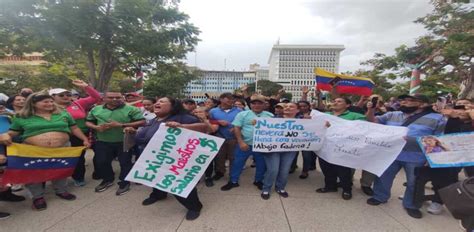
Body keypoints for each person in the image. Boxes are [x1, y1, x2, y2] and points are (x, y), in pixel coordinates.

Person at [0, 91, 90, 211]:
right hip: (34, 151)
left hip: (62, 149)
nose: (50, 104)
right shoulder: (22, 116)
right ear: (33, 103)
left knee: (61, 169)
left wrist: (84, 139)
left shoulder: (62, 113)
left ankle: (61, 191)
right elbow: (13, 132)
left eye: (51, 101)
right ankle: (38, 197)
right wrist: (6, 135)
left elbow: (74, 127)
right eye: (45, 102)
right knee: (34, 173)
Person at [366, 94, 446, 219]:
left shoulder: (438, 118)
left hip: (416, 157)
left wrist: (428, 156)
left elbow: (439, 140)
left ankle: (411, 205)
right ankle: (379, 196)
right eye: (403, 100)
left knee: (414, 183)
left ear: (423, 104)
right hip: (390, 154)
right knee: (383, 176)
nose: (404, 102)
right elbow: (373, 121)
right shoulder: (392, 114)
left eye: (410, 100)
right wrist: (371, 110)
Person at [132, 97, 208, 220]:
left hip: (174, 160)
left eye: (162, 102)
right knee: (155, 178)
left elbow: (204, 127)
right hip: (155, 158)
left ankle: (194, 206)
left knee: (178, 184)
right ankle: (158, 195)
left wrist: (182, 126)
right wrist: (132, 133)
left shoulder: (183, 117)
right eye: (157, 102)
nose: (157, 103)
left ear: (173, 106)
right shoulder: (154, 119)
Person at [86, 91, 145, 196]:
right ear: (104, 98)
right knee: (102, 162)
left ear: (122, 98)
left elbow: (142, 122)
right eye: (111, 97)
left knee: (125, 163)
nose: (114, 99)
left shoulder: (131, 109)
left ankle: (124, 182)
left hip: (124, 141)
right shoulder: (96, 109)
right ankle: (108, 179)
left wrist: (121, 125)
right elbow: (88, 121)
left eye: (118, 97)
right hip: (102, 141)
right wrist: (96, 127)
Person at [50, 80, 101, 187]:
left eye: (68, 94)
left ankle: (78, 177)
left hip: (81, 135)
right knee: (62, 159)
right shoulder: (48, 107)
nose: (66, 96)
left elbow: (96, 98)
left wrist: (86, 87)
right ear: (53, 97)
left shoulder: (78, 103)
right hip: (60, 137)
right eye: (61, 95)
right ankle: (58, 181)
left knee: (79, 158)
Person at [315, 97, 366, 200]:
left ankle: (347, 189)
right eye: (334, 101)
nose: (335, 102)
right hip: (326, 147)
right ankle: (330, 186)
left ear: (347, 105)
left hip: (343, 148)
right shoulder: (326, 116)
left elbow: (363, 128)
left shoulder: (356, 116)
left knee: (343, 170)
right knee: (326, 168)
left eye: (339, 101)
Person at [221, 94, 273, 191]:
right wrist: (241, 142)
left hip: (262, 146)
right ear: (250, 104)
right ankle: (233, 181)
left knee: (261, 164)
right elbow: (237, 128)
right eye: (254, 103)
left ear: (264, 105)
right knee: (237, 163)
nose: (256, 105)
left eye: (259, 103)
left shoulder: (270, 116)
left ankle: (258, 180)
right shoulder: (242, 114)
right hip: (245, 144)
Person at [261, 102, 300, 200]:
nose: (287, 108)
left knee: (284, 170)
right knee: (273, 170)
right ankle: (266, 188)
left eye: (291, 106)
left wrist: (324, 125)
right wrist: (256, 123)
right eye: (286, 106)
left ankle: (280, 188)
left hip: (290, 150)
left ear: (297, 110)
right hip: (273, 149)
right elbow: (262, 128)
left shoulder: (303, 122)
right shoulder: (273, 120)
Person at [209, 93, 241, 181]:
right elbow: (208, 121)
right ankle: (219, 172)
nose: (231, 101)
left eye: (232, 99)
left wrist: (236, 128)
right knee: (219, 157)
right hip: (219, 138)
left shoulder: (239, 111)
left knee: (233, 158)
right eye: (229, 99)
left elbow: (244, 122)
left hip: (233, 139)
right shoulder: (213, 111)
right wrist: (218, 121)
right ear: (221, 99)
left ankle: (233, 174)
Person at [193, 106, 219, 187]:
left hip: (207, 145)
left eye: (200, 112)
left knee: (208, 162)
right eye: (195, 112)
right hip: (194, 145)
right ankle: (195, 177)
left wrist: (204, 120)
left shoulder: (213, 121)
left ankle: (208, 177)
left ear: (206, 113)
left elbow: (213, 130)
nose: (197, 114)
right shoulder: (191, 121)